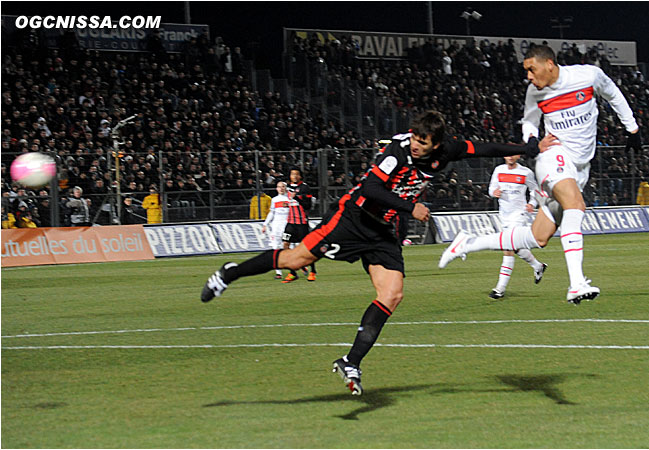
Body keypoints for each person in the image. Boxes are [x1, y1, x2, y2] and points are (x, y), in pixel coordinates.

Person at [200, 110, 542, 396]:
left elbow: (482, 148)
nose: (417, 147)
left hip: (385, 231)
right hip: (354, 218)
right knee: (295, 259)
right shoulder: (396, 151)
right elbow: (371, 187)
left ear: (437, 143)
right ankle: (228, 274)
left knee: (392, 294)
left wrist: (525, 149)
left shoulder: (447, 148)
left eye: (423, 143)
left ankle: (351, 361)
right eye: (415, 140)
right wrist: (411, 207)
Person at [439, 44, 641, 305]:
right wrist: (531, 140)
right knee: (576, 205)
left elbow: (612, 93)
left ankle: (467, 243)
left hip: (580, 165)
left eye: (532, 70)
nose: (529, 77)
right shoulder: (535, 92)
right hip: (553, 157)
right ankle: (576, 283)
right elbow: (530, 121)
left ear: (549, 64)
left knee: (539, 237)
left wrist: (632, 128)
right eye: (527, 72)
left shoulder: (587, 76)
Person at [487, 155, 547, 299]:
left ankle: (500, 289)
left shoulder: (525, 172)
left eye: (513, 154)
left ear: (518, 156)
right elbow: (491, 189)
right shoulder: (499, 170)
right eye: (508, 154)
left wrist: (532, 203)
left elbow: (535, 190)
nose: (510, 157)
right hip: (504, 215)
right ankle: (538, 266)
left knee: (508, 248)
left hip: (519, 214)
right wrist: (494, 193)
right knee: (515, 247)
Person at [281, 186, 317, 283]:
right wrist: (287, 204)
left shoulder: (304, 190)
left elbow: (307, 206)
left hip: (301, 224)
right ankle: (292, 272)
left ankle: (313, 271)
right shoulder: (288, 191)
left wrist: (296, 197)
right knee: (285, 244)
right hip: (290, 224)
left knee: (306, 247)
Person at [261, 181, 290, 280]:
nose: (281, 188)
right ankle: (278, 272)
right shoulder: (274, 200)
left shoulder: (289, 199)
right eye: (279, 187)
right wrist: (265, 224)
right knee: (275, 248)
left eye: (283, 187)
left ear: (286, 188)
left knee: (288, 247)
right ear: (276, 189)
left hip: (287, 227)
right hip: (276, 227)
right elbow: (271, 213)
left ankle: (295, 268)